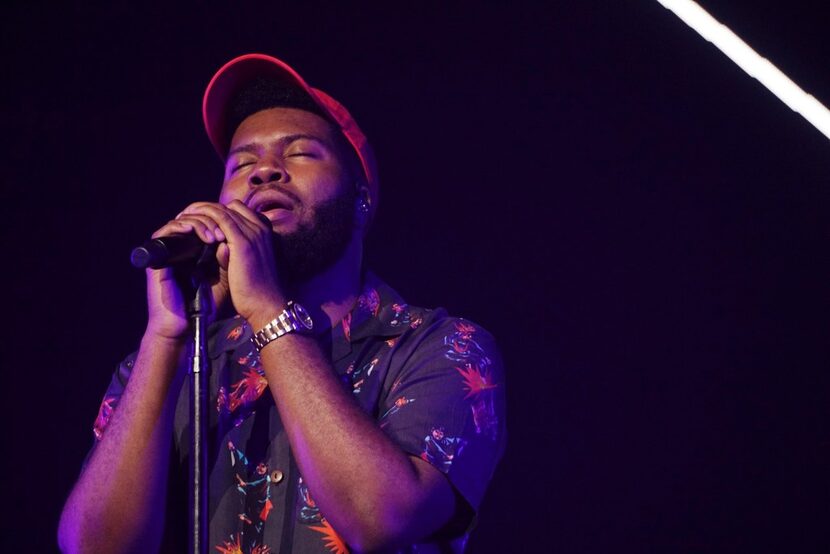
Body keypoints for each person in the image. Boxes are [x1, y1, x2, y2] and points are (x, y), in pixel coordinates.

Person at [58, 53, 506, 553]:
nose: (264, 172)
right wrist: (166, 337)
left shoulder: (440, 347)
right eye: (242, 163)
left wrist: (269, 311)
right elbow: (94, 546)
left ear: (361, 197)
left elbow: (380, 518)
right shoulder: (169, 363)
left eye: (300, 154)